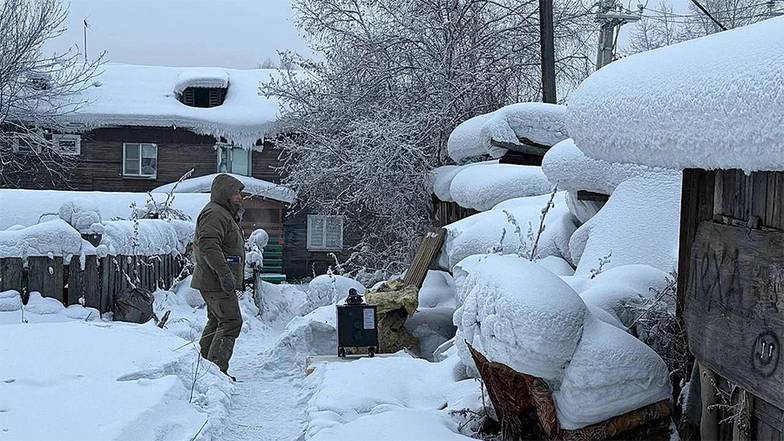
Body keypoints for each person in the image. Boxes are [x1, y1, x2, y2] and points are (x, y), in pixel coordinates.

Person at [192, 174, 246, 380]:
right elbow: (209, 245)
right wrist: (224, 273)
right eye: (235, 192)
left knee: (217, 320)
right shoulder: (215, 214)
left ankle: (204, 368)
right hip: (216, 280)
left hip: (215, 280)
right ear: (225, 194)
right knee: (231, 322)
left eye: (240, 192)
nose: (239, 196)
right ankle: (217, 371)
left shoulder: (224, 213)